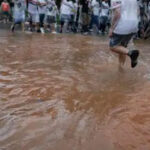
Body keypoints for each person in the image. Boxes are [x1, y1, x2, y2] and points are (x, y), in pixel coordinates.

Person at [109, 0, 140, 69]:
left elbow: (117, 13)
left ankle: (131, 53)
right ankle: (121, 68)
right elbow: (138, 11)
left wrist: (111, 28)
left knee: (113, 46)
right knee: (123, 46)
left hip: (122, 25)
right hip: (134, 24)